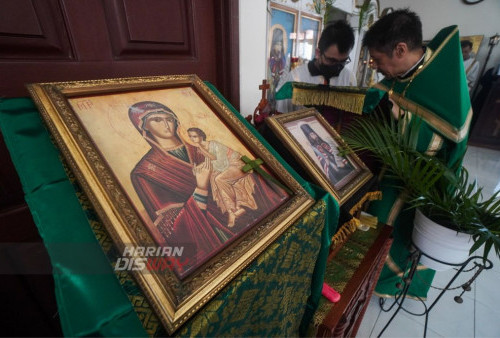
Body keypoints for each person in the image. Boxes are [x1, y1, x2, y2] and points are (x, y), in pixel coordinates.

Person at [362, 9, 472, 299]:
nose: (377, 68)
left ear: (400, 50)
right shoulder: (402, 72)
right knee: (375, 215)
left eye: (379, 60)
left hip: (424, 179)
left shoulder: (444, 79)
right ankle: (366, 274)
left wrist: (402, 117)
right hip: (391, 167)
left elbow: (448, 141)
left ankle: (392, 285)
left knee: (398, 228)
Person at [129, 101, 287, 276]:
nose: (166, 124)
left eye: (169, 119)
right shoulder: (145, 172)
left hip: (247, 216)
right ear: (144, 127)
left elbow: (241, 170)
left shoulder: (201, 149)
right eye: (157, 120)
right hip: (215, 237)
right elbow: (171, 229)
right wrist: (201, 188)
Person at [275, 20, 357, 114]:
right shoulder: (295, 79)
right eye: (331, 60)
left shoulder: (349, 79)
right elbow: (281, 117)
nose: (337, 67)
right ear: (318, 53)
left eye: (343, 61)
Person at [187, 127, 258, 227]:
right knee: (216, 180)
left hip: (239, 164)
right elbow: (211, 161)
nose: (192, 139)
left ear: (201, 136)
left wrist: (202, 150)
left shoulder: (214, 144)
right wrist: (199, 167)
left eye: (194, 136)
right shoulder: (201, 149)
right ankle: (232, 212)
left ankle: (233, 211)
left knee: (219, 179)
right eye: (190, 137)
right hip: (229, 167)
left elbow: (221, 164)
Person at [299, 124, 354, 188]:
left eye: (314, 133)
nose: (314, 135)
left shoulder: (322, 141)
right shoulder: (313, 147)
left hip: (334, 158)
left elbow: (332, 150)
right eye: (311, 134)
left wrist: (335, 158)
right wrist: (326, 161)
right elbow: (319, 158)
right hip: (329, 163)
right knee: (335, 171)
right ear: (309, 137)